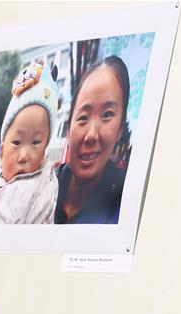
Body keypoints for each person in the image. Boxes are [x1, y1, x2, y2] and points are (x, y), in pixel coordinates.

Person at [0, 60, 59, 224]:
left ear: (45, 150)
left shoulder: (39, 189)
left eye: (36, 142)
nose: (23, 156)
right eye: (16, 142)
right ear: (1, 153)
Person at [54, 56, 130, 224]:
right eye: (83, 117)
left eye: (107, 115)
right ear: (68, 131)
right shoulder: (45, 188)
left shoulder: (125, 203)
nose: (91, 135)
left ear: (120, 130)